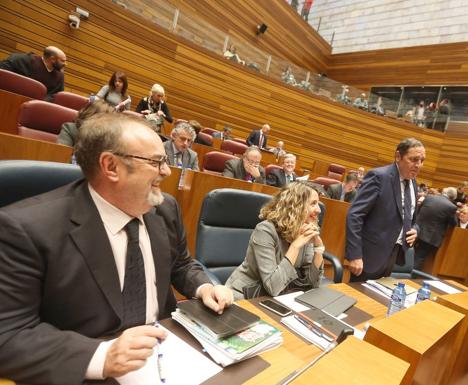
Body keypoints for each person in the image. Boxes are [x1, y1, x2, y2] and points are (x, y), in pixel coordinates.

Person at [0, 113, 233, 385]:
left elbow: (180, 264)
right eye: (156, 162)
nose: (167, 171)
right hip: (89, 363)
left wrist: (204, 287)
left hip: (168, 354)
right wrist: (102, 356)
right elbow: (9, 334)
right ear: (111, 166)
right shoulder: (25, 228)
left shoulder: (165, 208)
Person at [226, 182, 324, 300]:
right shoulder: (265, 230)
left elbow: (312, 283)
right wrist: (295, 246)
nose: (319, 210)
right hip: (247, 296)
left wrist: (318, 249)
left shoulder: (304, 230)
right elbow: (273, 286)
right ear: (295, 206)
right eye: (313, 203)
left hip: (280, 297)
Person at [345, 138, 424, 281]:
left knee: (377, 300)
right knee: (357, 299)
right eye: (414, 159)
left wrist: (415, 230)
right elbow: (355, 215)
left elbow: (412, 219)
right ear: (398, 156)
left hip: (392, 256)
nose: (418, 165)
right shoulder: (379, 177)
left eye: (422, 161)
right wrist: (355, 255)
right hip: (368, 257)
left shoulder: (413, 183)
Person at [413, 187, 459, 269]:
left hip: (415, 229)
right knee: (419, 258)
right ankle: (408, 278)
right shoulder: (451, 207)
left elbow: (418, 210)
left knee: (407, 253)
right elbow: (453, 223)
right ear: (453, 197)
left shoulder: (429, 197)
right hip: (430, 237)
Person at [0, 46, 66, 99]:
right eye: (62, 61)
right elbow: (3, 75)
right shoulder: (21, 60)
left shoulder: (59, 76)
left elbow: (56, 97)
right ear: (53, 59)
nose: (65, 64)